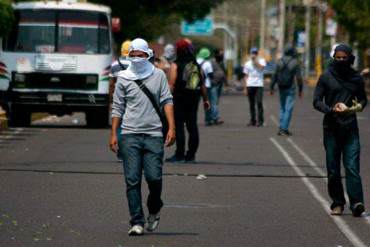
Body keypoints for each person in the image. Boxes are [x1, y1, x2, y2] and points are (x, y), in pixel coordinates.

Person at [109, 38, 176, 236]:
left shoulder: (158, 75)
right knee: (132, 180)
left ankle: (154, 208)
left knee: (154, 178)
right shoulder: (123, 77)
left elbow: (167, 100)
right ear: (129, 56)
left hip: (154, 134)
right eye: (134, 55)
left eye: (141, 55)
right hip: (129, 135)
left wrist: (171, 128)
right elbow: (117, 107)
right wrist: (114, 133)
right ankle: (136, 221)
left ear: (148, 55)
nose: (137, 59)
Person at [313, 44, 367, 217]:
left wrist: (354, 108)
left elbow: (363, 101)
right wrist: (330, 109)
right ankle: (337, 202)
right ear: (334, 58)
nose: (342, 60)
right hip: (331, 129)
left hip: (350, 128)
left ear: (350, 58)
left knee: (352, 167)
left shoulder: (356, 78)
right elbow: (316, 101)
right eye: (338, 57)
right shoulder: (326, 77)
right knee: (333, 169)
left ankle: (357, 203)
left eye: (345, 58)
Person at [165, 39, 210, 163]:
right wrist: (206, 100)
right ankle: (191, 155)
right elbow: (203, 85)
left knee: (179, 126)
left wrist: (166, 99)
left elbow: (172, 84)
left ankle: (179, 155)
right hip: (194, 99)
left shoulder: (175, 64)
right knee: (192, 126)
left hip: (179, 99)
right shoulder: (196, 65)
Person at [270, 46, 303, 136]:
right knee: (288, 108)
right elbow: (299, 78)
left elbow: (274, 75)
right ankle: (284, 129)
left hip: (281, 87)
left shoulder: (279, 61)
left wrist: (271, 87)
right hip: (290, 87)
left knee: (282, 107)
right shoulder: (295, 62)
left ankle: (281, 127)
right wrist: (300, 90)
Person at [197, 47, 224, 126]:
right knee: (207, 102)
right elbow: (210, 75)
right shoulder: (207, 63)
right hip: (207, 86)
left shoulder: (195, 61)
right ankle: (208, 120)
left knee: (194, 105)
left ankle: (191, 120)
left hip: (195, 86)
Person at [243, 47, 266, 127]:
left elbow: (261, 67)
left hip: (259, 84)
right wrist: (245, 88)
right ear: (250, 54)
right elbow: (245, 76)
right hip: (250, 85)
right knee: (251, 104)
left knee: (259, 102)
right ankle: (252, 120)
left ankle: (260, 121)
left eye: (255, 53)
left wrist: (255, 61)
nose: (254, 54)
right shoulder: (247, 63)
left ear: (257, 54)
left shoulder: (262, 61)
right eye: (253, 53)